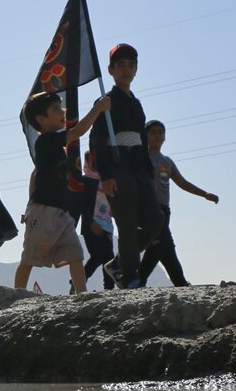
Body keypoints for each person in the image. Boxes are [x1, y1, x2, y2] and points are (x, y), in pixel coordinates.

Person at [15, 91, 111, 293]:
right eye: (55, 109)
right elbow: (77, 132)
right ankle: (17, 292)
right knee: (30, 256)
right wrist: (98, 109)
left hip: (61, 211)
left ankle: (81, 292)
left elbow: (35, 175)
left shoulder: (51, 146)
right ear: (41, 119)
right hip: (43, 211)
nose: (62, 112)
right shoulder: (47, 141)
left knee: (75, 252)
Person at [88, 43, 163, 289]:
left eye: (131, 65)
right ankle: (130, 277)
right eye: (120, 65)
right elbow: (97, 140)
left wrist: (149, 173)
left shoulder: (136, 104)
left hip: (139, 170)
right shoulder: (105, 101)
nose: (126, 70)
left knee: (155, 221)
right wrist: (106, 174)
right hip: (117, 171)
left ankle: (119, 262)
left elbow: (141, 141)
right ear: (110, 70)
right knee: (127, 224)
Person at [137, 120, 219, 287]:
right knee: (167, 246)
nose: (157, 136)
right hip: (150, 208)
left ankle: (138, 280)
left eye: (160, 132)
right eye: (153, 132)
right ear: (145, 136)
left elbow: (182, 182)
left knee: (156, 249)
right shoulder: (142, 157)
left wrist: (204, 194)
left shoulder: (167, 161)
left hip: (165, 209)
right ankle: (180, 282)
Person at [80, 149, 116, 290]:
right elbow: (83, 204)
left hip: (107, 225)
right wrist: (91, 222)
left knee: (109, 258)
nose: (95, 163)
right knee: (98, 255)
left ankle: (109, 288)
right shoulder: (85, 180)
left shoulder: (106, 180)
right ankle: (79, 280)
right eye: (92, 160)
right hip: (92, 225)